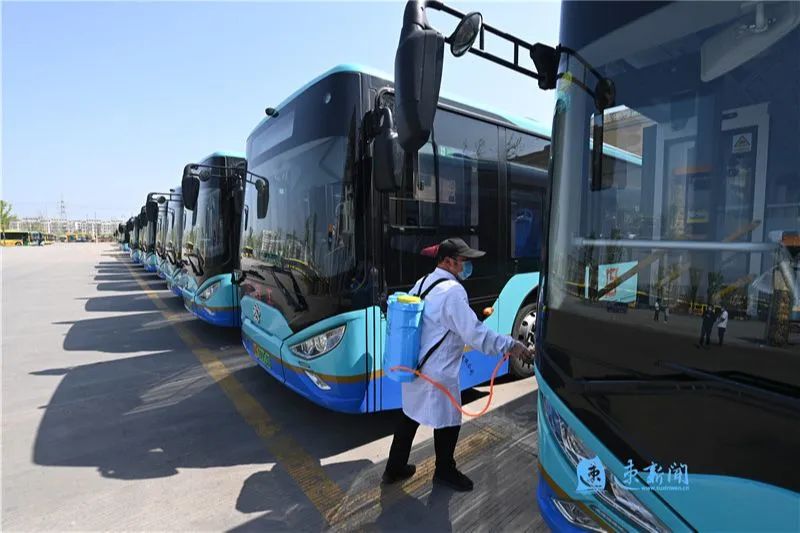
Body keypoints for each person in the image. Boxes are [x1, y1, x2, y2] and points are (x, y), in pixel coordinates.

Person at [383, 238, 533, 492]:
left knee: (410, 415)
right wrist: (511, 345)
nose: (468, 266)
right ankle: (445, 470)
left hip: (416, 365)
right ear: (448, 261)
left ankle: (393, 468)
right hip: (438, 371)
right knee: (450, 419)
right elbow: (474, 333)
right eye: (464, 260)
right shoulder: (452, 292)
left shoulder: (423, 282)